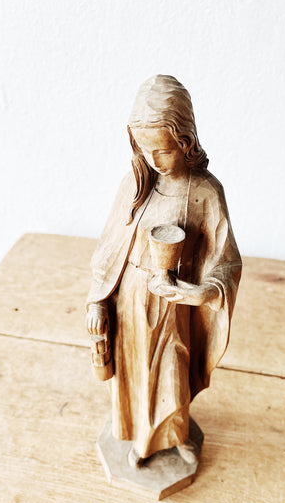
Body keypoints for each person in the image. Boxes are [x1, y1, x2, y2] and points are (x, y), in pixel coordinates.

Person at [86, 75, 241, 468]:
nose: (154, 160)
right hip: (129, 298)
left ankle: (175, 435)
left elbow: (226, 259)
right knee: (134, 372)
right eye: (145, 149)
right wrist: (98, 302)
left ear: (185, 141)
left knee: (171, 370)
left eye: (164, 150)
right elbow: (109, 249)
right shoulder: (134, 186)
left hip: (174, 301)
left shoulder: (204, 191)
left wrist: (203, 292)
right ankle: (141, 440)